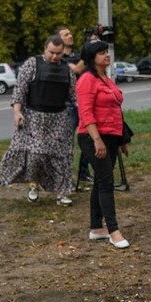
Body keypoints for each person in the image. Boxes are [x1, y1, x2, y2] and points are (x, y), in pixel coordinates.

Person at [0, 35, 76, 207]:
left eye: (59, 53)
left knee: (62, 156)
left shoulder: (67, 70)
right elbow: (20, 90)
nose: (55, 57)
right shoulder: (32, 64)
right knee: (36, 155)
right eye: (52, 53)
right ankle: (34, 185)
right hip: (35, 117)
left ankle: (63, 193)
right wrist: (17, 111)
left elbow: (74, 95)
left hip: (59, 118)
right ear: (44, 50)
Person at [76, 39, 131, 249]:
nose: (106, 55)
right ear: (92, 58)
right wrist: (97, 140)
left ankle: (96, 228)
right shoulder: (87, 80)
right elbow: (86, 112)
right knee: (107, 183)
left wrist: (122, 140)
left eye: (106, 51)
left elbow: (115, 109)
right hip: (92, 138)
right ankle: (114, 231)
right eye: (101, 53)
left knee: (100, 181)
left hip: (111, 137)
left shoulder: (106, 79)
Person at [57, 26, 93, 188]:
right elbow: (78, 69)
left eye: (70, 33)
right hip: (68, 104)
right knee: (66, 142)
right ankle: (63, 177)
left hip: (83, 102)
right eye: (66, 34)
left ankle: (84, 173)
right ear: (58, 40)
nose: (70, 36)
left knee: (89, 137)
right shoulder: (59, 58)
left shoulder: (78, 55)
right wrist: (89, 49)